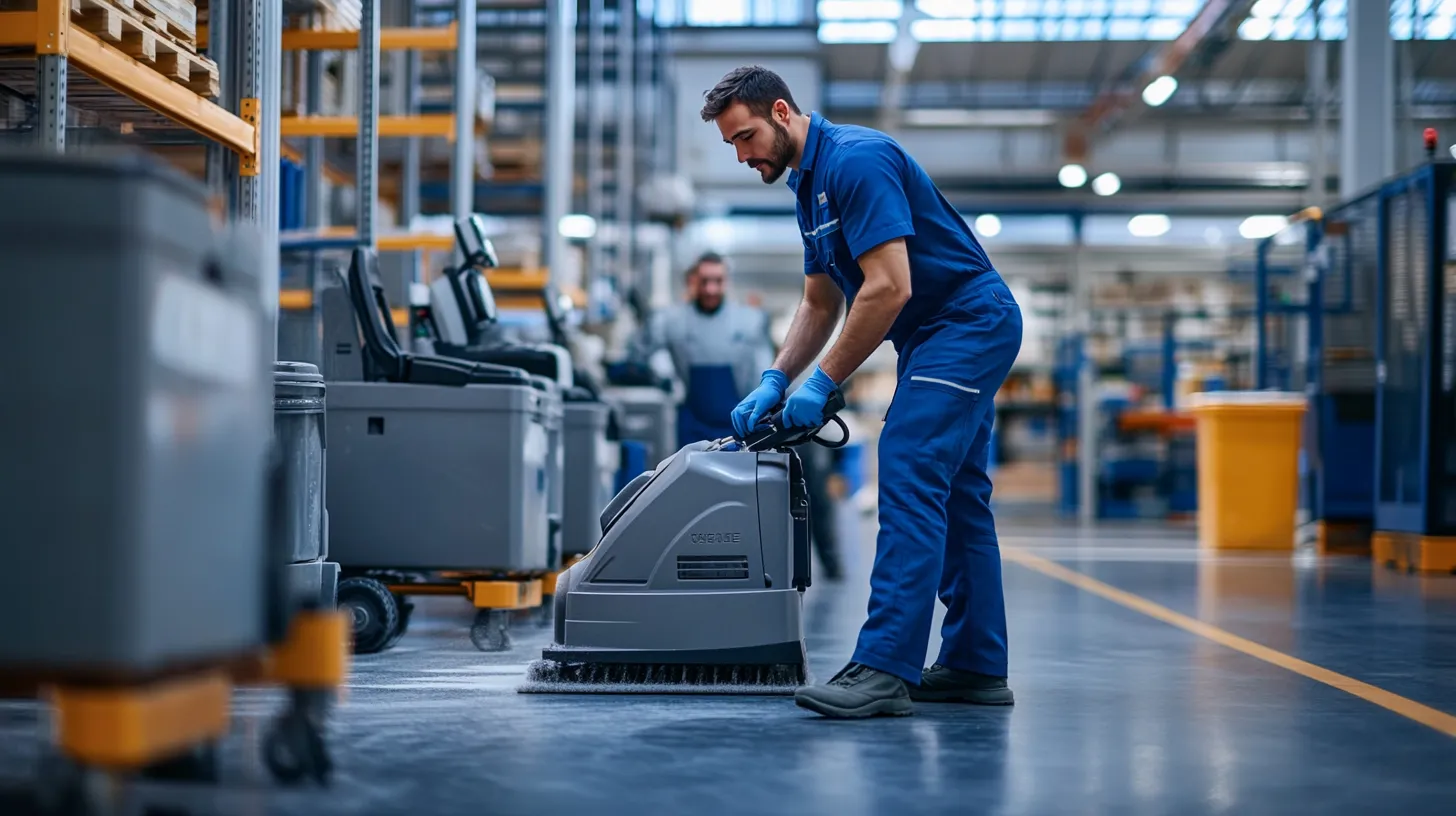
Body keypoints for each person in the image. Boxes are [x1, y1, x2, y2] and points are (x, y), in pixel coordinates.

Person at [704, 65, 1024, 718]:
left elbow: (889, 287)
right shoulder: (809, 188)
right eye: (731, 146)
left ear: (783, 112)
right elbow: (820, 302)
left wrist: (824, 380)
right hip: (935, 335)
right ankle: (974, 664)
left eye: (745, 137)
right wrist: (777, 377)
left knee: (907, 464)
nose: (741, 155)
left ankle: (883, 667)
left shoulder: (857, 161)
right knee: (959, 493)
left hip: (967, 321)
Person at [628, 252, 776, 446]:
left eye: (717, 281)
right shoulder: (672, 322)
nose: (711, 289)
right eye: (704, 281)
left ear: (727, 282)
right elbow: (642, 352)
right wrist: (664, 374)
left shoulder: (749, 322)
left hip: (738, 425)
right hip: (690, 426)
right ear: (692, 281)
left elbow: (763, 371)